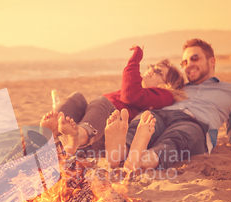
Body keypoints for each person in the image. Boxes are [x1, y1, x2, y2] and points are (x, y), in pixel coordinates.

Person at [105, 38, 231, 171]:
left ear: (212, 61)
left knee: (176, 138)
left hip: (195, 122)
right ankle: (120, 151)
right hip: (162, 114)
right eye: (184, 62)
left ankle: (142, 160)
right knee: (143, 121)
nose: (188, 65)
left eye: (195, 58)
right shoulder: (177, 88)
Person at [40, 46, 186, 166]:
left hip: (106, 136)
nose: (151, 69)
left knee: (102, 102)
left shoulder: (164, 95)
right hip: (94, 126)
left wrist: (135, 60)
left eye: (158, 71)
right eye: (152, 66)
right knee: (77, 98)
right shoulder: (145, 92)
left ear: (167, 84)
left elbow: (130, 94)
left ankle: (78, 136)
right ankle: (52, 132)